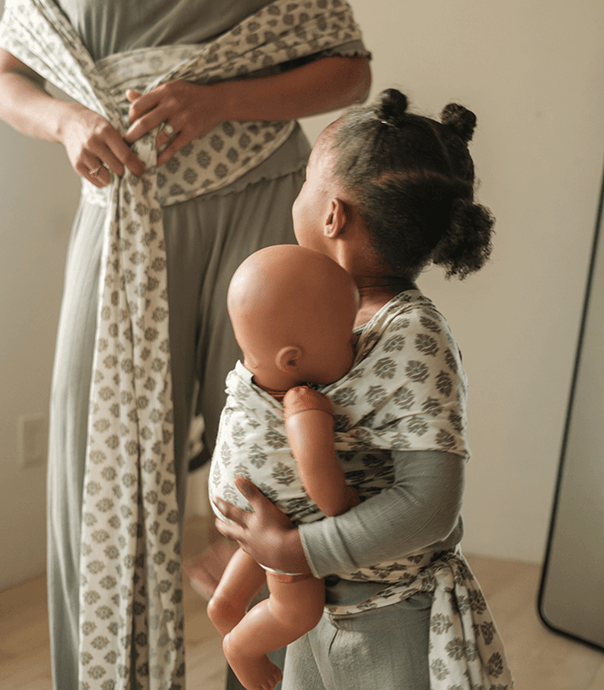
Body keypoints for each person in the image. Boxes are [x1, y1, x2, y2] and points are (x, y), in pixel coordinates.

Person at [0, 0, 371, 688]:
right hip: (121, 215)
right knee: (99, 475)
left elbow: (351, 69)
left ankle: (269, 676)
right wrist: (65, 124)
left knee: (282, 463)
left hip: (260, 202)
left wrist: (220, 98)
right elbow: (8, 79)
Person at [214, 89, 515, 690]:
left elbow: (430, 504)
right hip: (315, 608)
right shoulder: (315, 316)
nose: (294, 195)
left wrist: (296, 551)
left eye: (304, 181)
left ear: (333, 215)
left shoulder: (410, 331)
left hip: (388, 617)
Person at [207, 244, 360, 690]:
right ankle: (241, 648)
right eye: (346, 336)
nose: (354, 343)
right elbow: (322, 483)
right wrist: (347, 501)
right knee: (299, 609)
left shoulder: (244, 377)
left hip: (239, 501)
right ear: (292, 360)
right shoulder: (303, 403)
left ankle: (227, 603)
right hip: (279, 512)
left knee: (259, 549)